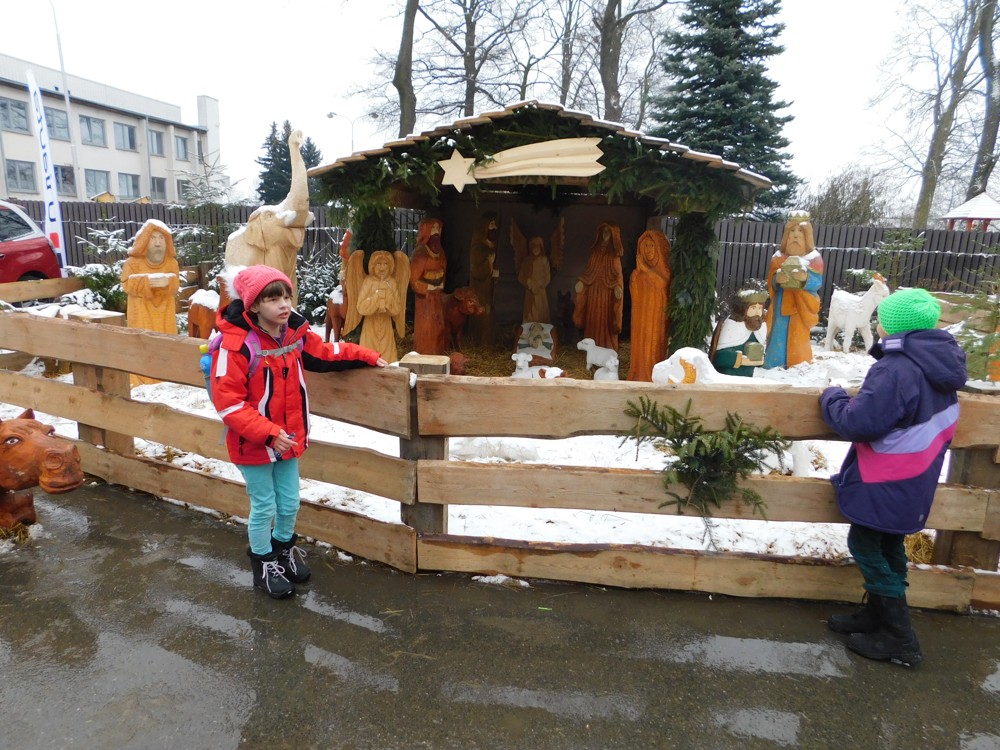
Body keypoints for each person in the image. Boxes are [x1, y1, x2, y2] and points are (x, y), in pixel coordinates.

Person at [209, 265, 387, 599]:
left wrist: (367, 355)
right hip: (254, 444)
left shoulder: (294, 333)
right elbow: (228, 404)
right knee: (265, 506)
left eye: (287, 296)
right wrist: (268, 433)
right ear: (253, 305)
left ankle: (282, 551)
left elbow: (327, 353)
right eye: (273, 299)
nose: (284, 305)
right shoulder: (235, 345)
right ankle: (263, 564)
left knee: (289, 502)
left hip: (287, 440)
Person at [820, 288, 967, 666]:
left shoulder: (897, 369)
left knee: (866, 544)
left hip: (885, 477)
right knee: (888, 544)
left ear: (895, 326)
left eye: (882, 318)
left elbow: (859, 422)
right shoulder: (937, 364)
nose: (878, 323)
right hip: (914, 477)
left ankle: (899, 636)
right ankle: (878, 616)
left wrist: (832, 397)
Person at [121, 219, 181, 386]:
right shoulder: (132, 264)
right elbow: (126, 284)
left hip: (165, 315)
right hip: (142, 313)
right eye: (153, 238)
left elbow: (175, 284)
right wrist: (147, 282)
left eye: (161, 238)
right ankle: (143, 377)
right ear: (144, 241)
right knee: (143, 344)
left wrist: (168, 282)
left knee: (166, 344)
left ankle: (167, 375)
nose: (157, 243)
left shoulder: (172, 263)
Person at [764, 213, 823, 368]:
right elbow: (771, 280)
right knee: (778, 333)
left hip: (800, 307)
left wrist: (805, 278)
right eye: (792, 231)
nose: (796, 235)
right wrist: (777, 279)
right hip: (781, 305)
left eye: (800, 231)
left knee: (798, 335)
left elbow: (817, 282)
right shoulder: (777, 258)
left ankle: (798, 363)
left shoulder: (814, 259)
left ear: (807, 235)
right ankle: (774, 362)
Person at [627, 230, 672, 381]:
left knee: (653, 347)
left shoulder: (664, 271)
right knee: (640, 345)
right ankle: (638, 373)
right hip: (641, 318)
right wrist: (636, 276)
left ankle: (653, 375)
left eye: (652, 245)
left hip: (656, 319)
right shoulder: (637, 272)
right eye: (645, 245)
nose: (648, 249)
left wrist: (645, 270)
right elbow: (634, 290)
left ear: (659, 248)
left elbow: (662, 284)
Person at [573, 222, 625, 351]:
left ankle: (606, 347)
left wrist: (617, 287)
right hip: (593, 293)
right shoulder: (595, 253)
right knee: (593, 319)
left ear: (613, 235)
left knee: (605, 320)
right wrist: (582, 281)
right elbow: (588, 272)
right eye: (603, 231)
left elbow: (617, 275)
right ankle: (591, 348)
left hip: (607, 295)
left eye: (608, 231)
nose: (605, 234)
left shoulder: (614, 256)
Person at [708, 288, 768, 377]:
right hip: (727, 377)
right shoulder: (732, 326)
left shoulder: (760, 329)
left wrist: (760, 359)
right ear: (744, 309)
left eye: (760, 308)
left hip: (747, 377)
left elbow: (760, 355)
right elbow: (718, 358)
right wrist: (740, 360)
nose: (757, 312)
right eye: (753, 308)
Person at [409, 218, 448, 354]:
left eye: (438, 229)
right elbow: (414, 281)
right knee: (427, 328)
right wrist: (428, 287)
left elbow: (443, 272)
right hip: (424, 301)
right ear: (425, 231)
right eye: (432, 229)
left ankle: (438, 354)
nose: (436, 232)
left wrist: (440, 284)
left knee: (439, 327)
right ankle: (425, 354)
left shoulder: (441, 252)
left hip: (437, 297)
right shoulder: (420, 254)